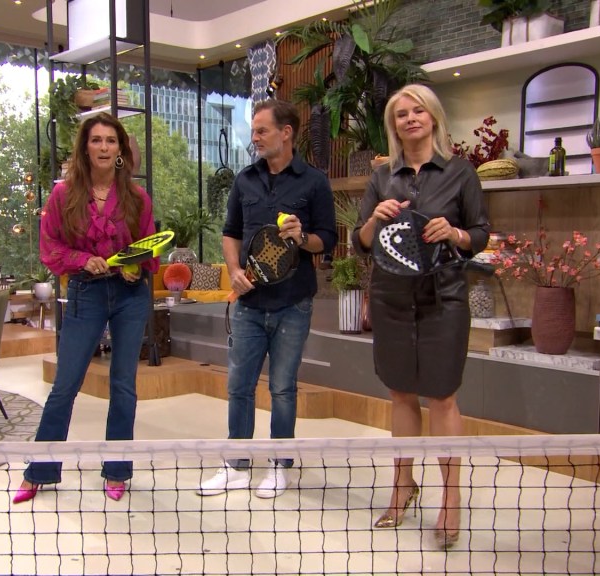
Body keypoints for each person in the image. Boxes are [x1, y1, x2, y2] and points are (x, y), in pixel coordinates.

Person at [351, 84, 489, 548]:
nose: (410, 119)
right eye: (401, 114)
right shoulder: (381, 177)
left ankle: (450, 498)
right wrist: (375, 220)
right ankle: (402, 485)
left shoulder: (460, 173)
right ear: (393, 125)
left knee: (443, 396)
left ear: (433, 118)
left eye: (418, 111)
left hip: (443, 298)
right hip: (391, 298)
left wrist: (455, 232)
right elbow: (361, 242)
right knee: (400, 393)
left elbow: (481, 234)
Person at [14, 113, 157, 504]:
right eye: (97, 140)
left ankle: (117, 471)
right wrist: (82, 259)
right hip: (86, 292)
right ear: (85, 148)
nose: (104, 147)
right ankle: (39, 471)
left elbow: (149, 248)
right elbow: (51, 247)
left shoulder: (137, 198)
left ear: (121, 149)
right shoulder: (64, 196)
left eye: (111, 141)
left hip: (130, 295)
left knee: (123, 385)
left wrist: (134, 266)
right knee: (65, 385)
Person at [197, 99, 337, 498]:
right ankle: (236, 466)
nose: (255, 138)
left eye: (261, 130)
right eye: (254, 131)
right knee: (239, 386)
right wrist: (234, 271)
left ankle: (279, 465)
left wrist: (302, 237)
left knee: (282, 389)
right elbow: (230, 233)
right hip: (248, 304)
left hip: (294, 304)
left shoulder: (314, 182)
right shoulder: (245, 180)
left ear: (285, 132)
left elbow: (327, 239)